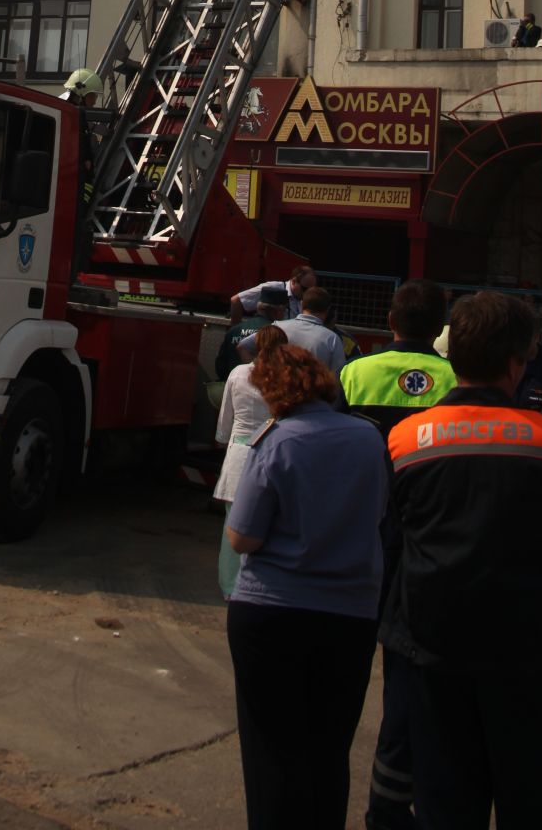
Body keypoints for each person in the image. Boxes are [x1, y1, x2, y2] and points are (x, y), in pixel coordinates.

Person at [382, 292, 542, 828]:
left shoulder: (405, 440)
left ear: (453, 356)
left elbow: (397, 526)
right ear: (518, 364)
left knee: (446, 810)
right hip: (532, 661)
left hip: (435, 656)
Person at [225, 338, 387, 830]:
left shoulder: (278, 440)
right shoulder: (369, 440)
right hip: (351, 614)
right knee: (328, 749)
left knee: (271, 750)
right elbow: (381, 515)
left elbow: (243, 538)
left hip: (273, 611)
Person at [340, 278, 455, 830]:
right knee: (409, 674)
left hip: (364, 533)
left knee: (348, 668)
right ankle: (392, 795)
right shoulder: (456, 380)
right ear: (439, 328)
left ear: (390, 320)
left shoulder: (356, 371)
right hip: (427, 542)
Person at [213, 327, 272, 598]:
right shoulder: (284, 377)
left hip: (238, 453)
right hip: (271, 454)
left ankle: (229, 587)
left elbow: (225, 420)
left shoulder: (237, 374)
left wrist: (222, 439)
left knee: (232, 525)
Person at [216, 285, 288, 380]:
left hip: (233, 385)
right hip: (261, 388)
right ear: (278, 311)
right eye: (284, 310)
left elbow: (220, 366)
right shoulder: (275, 333)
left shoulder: (234, 330)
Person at [275, 285, 346, 375]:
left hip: (277, 387)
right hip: (313, 388)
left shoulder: (277, 327)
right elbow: (338, 376)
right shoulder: (332, 339)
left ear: (301, 304)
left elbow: (252, 346)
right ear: (328, 310)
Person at [230, 265, 315, 323]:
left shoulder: (302, 299)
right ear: (293, 281)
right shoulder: (273, 287)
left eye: (311, 289)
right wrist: (236, 332)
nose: (307, 293)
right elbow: (236, 301)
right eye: (305, 288)